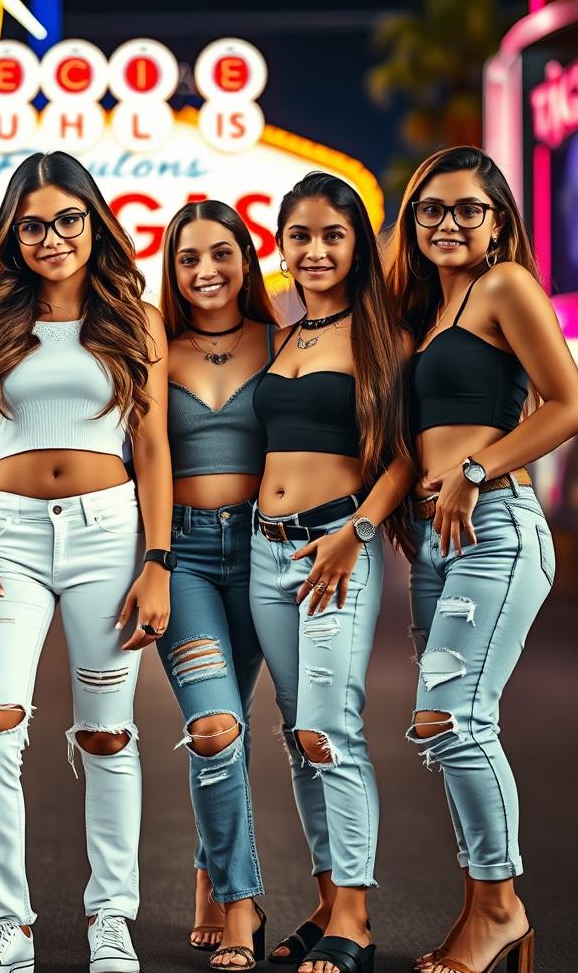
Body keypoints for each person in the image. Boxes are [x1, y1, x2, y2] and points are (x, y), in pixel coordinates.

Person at [0, 151, 172, 973]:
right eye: (32, 224)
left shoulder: (137, 320)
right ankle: (7, 926)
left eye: (67, 219)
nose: (51, 238)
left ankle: (110, 917)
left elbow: (152, 448)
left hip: (110, 533)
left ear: (94, 222)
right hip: (3, 535)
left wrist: (158, 559)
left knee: (108, 733)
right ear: (12, 233)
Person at [388, 146, 578, 973]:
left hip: (494, 522)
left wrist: (473, 471)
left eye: (468, 209)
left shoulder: (505, 288)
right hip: (438, 539)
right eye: (432, 209)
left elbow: (568, 403)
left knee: (452, 720)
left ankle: (501, 909)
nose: (449, 223)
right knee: (452, 727)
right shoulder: (430, 310)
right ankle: (482, 913)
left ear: (499, 220)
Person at [250, 173, 414, 973]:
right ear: (281, 245)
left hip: (335, 544)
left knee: (328, 728)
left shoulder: (384, 338)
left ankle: (355, 916)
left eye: (332, 236)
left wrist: (358, 529)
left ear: (356, 245)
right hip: (263, 547)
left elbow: (405, 453)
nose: (314, 251)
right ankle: (324, 900)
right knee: (295, 732)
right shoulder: (281, 337)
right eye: (300, 236)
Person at [157, 201, 274, 968]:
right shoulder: (152, 349)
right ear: (170, 270)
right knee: (214, 728)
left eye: (222, 253)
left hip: (268, 553)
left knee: (234, 721)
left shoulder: (287, 343)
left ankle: (209, 869)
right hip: (187, 558)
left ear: (246, 259)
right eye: (189, 257)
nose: (206, 271)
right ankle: (241, 903)